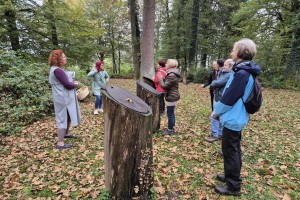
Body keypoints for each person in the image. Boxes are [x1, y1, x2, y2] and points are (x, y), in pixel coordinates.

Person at [212, 38, 261, 196]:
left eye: (233, 50)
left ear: (241, 52)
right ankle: (230, 176)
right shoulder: (244, 70)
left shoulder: (242, 73)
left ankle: (233, 186)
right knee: (234, 149)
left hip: (233, 118)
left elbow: (228, 97)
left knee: (230, 151)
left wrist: (216, 112)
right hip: (236, 116)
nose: (231, 52)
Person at [48, 50, 81, 150]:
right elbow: (67, 85)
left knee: (68, 115)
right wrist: (75, 84)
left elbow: (65, 81)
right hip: (62, 99)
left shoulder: (57, 69)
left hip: (62, 97)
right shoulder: (57, 70)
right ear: (57, 59)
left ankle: (65, 134)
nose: (65, 58)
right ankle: (60, 143)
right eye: (63, 57)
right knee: (62, 118)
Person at [205, 59, 234, 143]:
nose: (223, 67)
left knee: (214, 116)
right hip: (219, 96)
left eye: (225, 65)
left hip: (221, 98)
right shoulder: (224, 73)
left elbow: (215, 83)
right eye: (223, 65)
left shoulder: (228, 74)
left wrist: (214, 81)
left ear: (230, 67)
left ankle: (215, 135)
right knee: (219, 116)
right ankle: (220, 133)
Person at [158, 59, 180, 136]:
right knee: (171, 113)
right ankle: (171, 128)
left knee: (170, 113)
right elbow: (169, 83)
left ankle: (170, 129)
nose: (166, 64)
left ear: (170, 65)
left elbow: (165, 86)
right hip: (173, 95)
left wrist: (160, 78)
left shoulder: (171, 75)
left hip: (171, 96)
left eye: (167, 63)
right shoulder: (172, 73)